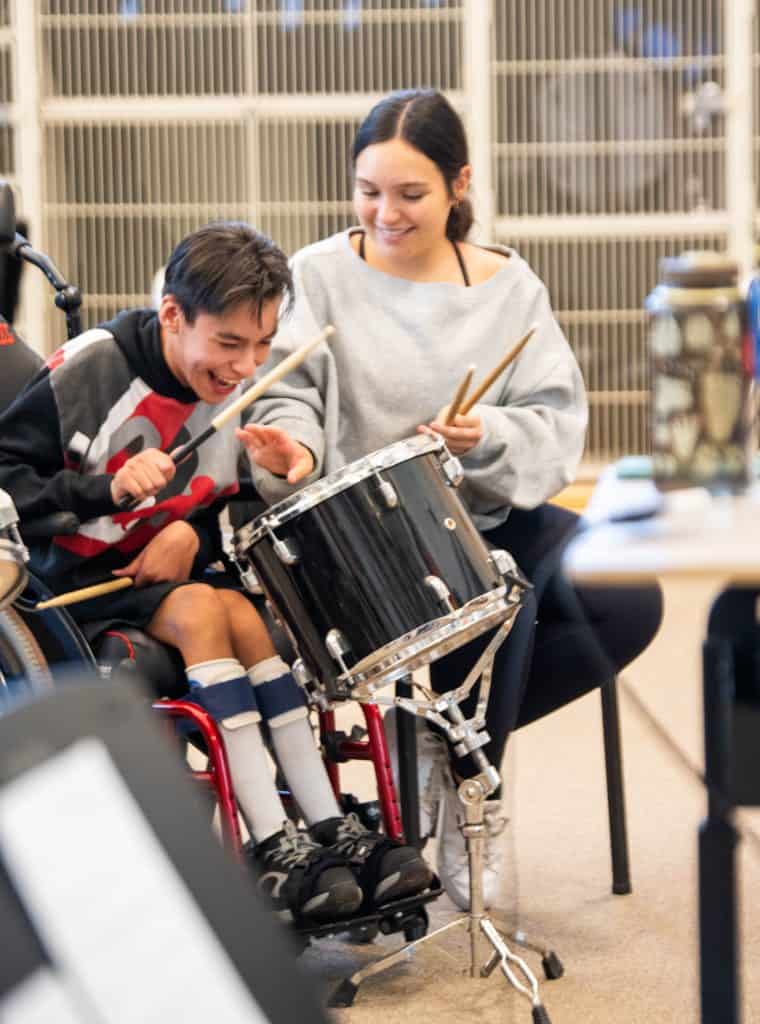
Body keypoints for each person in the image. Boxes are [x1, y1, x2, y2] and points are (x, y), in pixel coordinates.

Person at [239, 91, 664, 910]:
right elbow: (283, 395)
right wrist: (293, 450)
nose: (385, 212)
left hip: (489, 503)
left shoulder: (508, 283)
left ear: (459, 185)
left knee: (627, 599)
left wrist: (488, 434)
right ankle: (478, 786)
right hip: (373, 535)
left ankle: (449, 746)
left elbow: (554, 417)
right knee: (505, 590)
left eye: (410, 194)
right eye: (368, 190)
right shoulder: (320, 276)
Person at [0, 220, 432, 924]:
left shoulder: (230, 382)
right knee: (207, 612)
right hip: (78, 592)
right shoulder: (91, 367)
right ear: (173, 314)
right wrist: (103, 490)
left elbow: (214, 510)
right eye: (229, 343)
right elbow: (7, 480)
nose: (245, 365)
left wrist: (256, 486)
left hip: (176, 581)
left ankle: (326, 829)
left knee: (247, 616)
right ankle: (272, 841)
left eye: (262, 344)